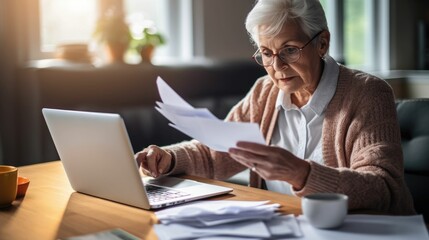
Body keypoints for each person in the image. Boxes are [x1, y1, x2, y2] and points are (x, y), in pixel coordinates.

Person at [135, 0, 415, 215]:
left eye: (290, 49)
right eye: (266, 53)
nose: (277, 67)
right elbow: (216, 152)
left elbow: (383, 187)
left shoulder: (369, 94)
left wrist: (301, 174)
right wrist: (168, 159)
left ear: (323, 43)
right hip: (288, 226)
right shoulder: (264, 92)